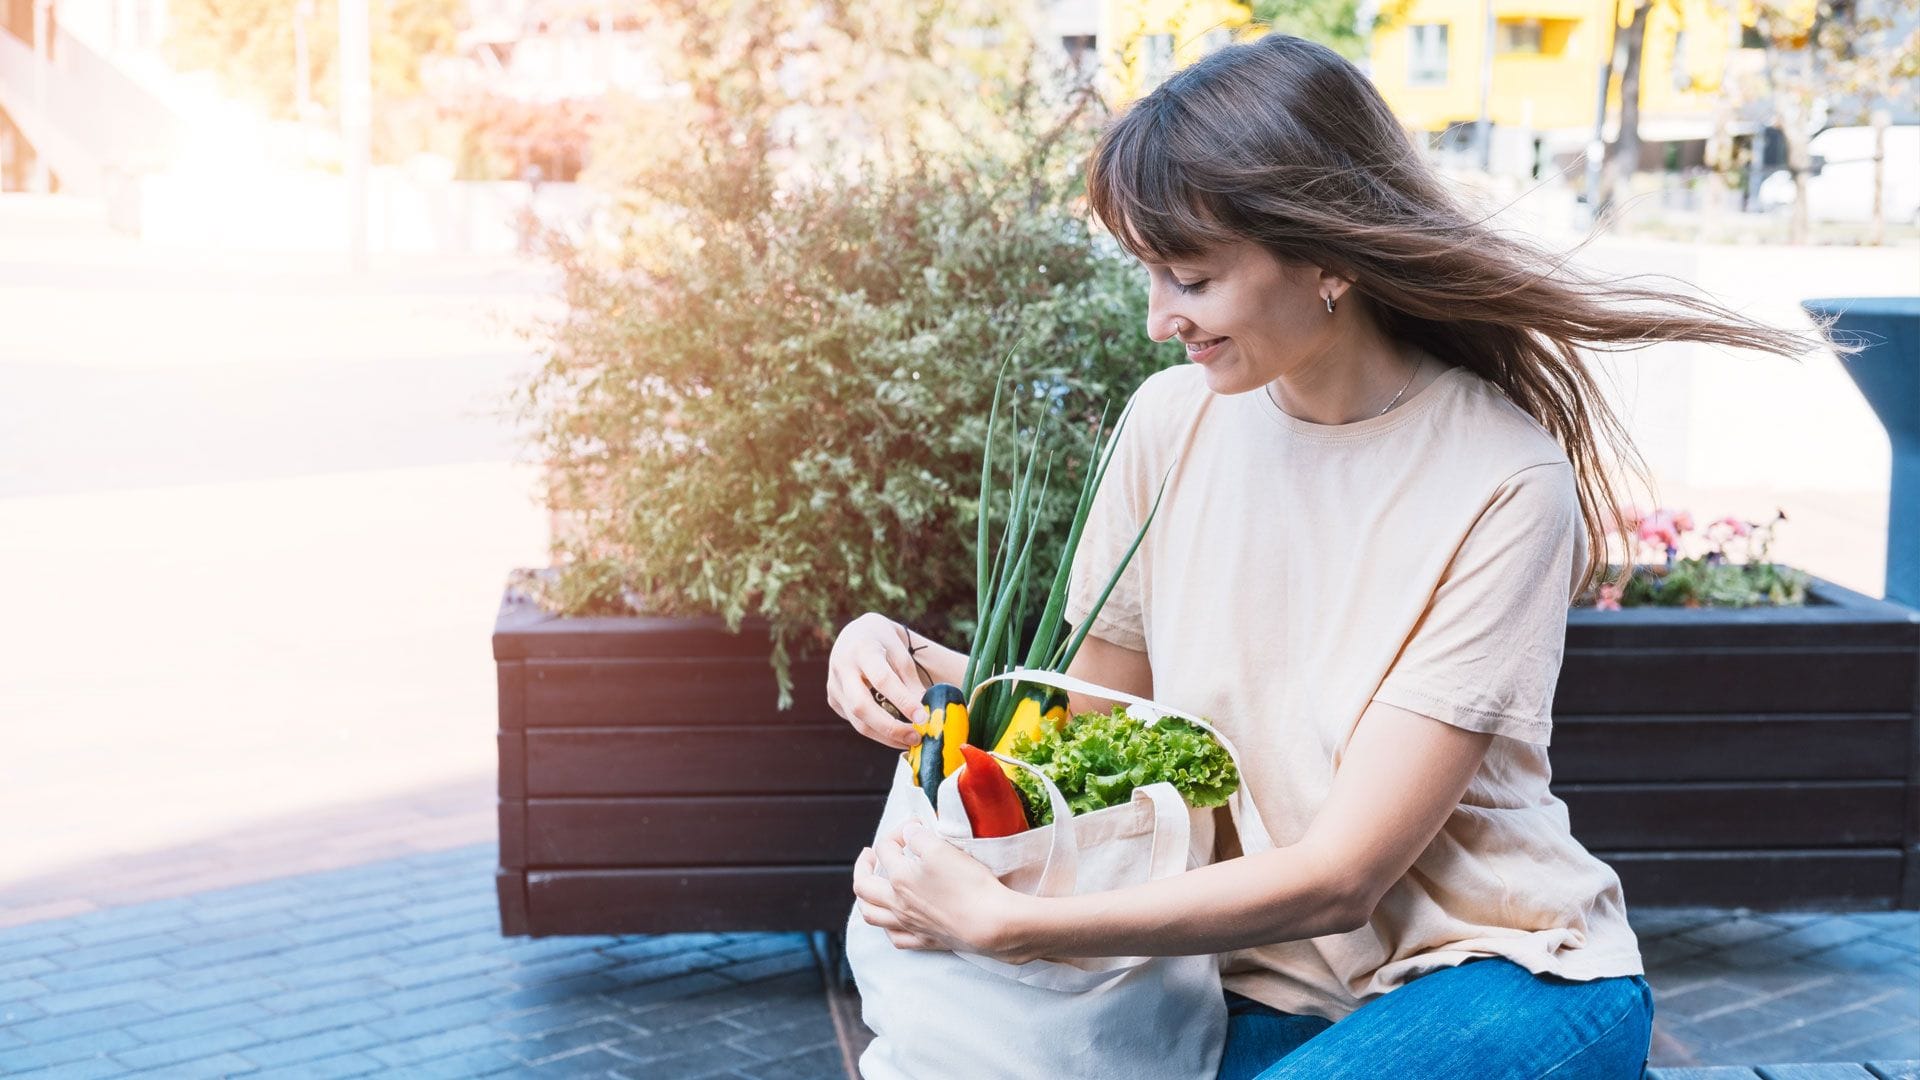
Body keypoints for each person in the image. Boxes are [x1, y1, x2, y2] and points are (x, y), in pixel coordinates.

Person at [827, 34, 1828, 1080]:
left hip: (1491, 976)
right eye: (1151, 275)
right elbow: (1092, 730)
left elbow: (1345, 874)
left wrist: (1009, 926)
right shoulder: (1170, 424)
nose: (1161, 320)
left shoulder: (1501, 480)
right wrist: (911, 661)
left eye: (1194, 278)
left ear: (1330, 259)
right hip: (1233, 983)